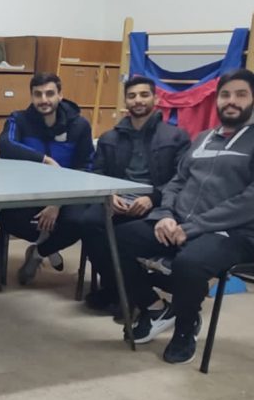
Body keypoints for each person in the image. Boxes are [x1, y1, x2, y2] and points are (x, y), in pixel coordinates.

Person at [97, 69, 254, 364]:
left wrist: (193, 227)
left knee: (189, 263)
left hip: (236, 234)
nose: (232, 101)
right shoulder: (204, 138)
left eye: (241, 95)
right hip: (181, 224)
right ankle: (155, 307)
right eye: (225, 95)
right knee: (112, 238)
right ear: (217, 100)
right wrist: (164, 215)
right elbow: (177, 182)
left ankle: (185, 328)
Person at [79, 75, 189, 312]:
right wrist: (109, 195)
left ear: (155, 99)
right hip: (117, 200)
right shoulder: (109, 138)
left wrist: (153, 198)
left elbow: (180, 179)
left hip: (156, 204)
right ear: (125, 101)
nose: (138, 100)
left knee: (122, 236)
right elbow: (97, 173)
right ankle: (117, 289)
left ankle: (133, 293)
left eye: (144, 95)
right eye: (132, 96)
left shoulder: (176, 137)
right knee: (87, 223)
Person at [0, 72, 94, 285]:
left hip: (68, 194)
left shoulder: (79, 125)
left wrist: (57, 202)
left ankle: (39, 252)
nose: (44, 99)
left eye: (50, 93)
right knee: (7, 219)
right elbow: (6, 144)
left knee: (79, 223)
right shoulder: (19, 119)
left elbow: (85, 168)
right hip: (31, 191)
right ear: (31, 96)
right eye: (38, 94)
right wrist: (45, 160)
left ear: (60, 95)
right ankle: (47, 244)